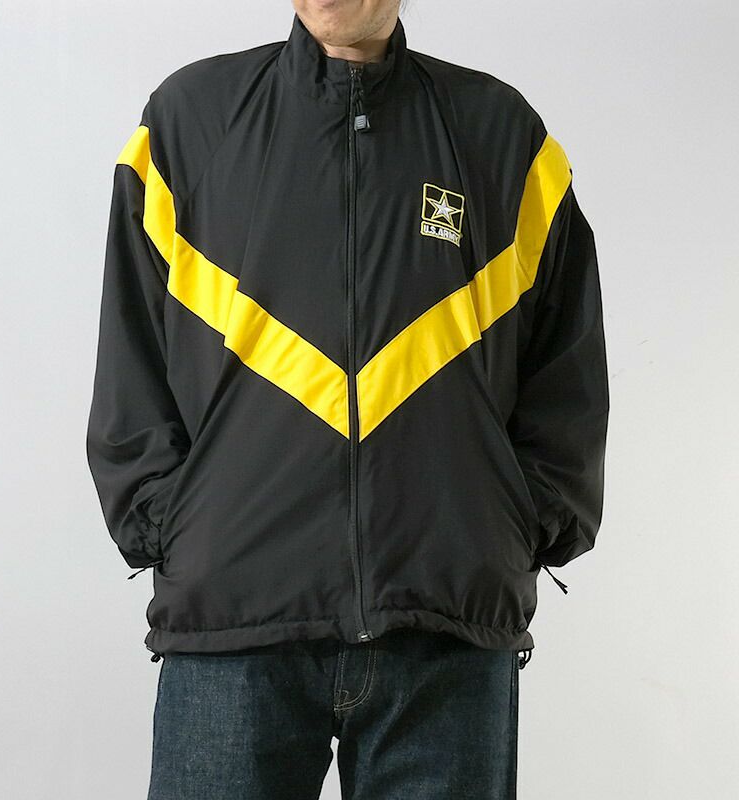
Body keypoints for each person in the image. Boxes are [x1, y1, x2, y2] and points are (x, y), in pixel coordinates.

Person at [85, 0, 609, 797]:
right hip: (235, 617)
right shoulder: (191, 123)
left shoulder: (502, 137)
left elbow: (565, 370)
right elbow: (131, 352)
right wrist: (170, 523)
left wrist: (518, 525)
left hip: (444, 629)